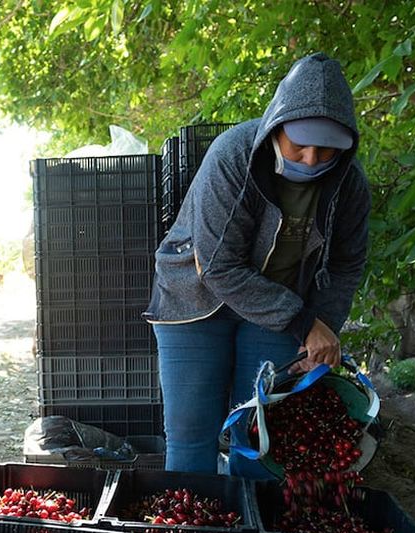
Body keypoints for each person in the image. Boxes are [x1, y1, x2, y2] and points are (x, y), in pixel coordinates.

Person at [144, 53, 371, 475]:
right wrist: (304, 323)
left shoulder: (350, 184)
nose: (309, 158)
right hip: (195, 301)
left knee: (261, 436)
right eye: (299, 144)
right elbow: (217, 266)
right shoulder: (233, 155)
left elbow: (345, 266)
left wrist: (321, 332)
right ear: (276, 128)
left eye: (325, 150)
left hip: (277, 310)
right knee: (192, 433)